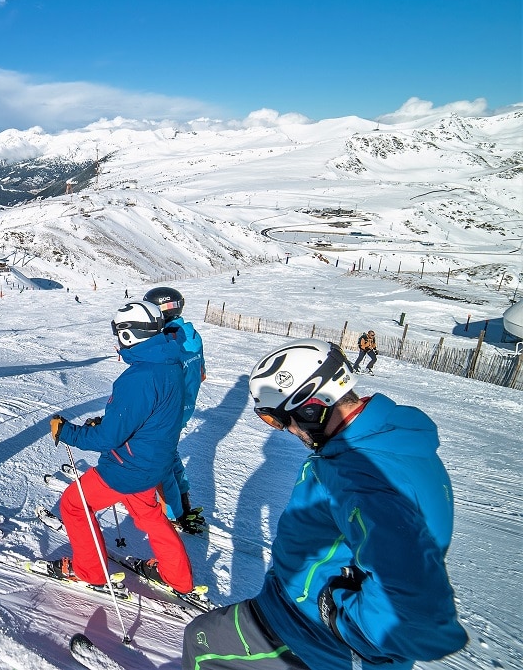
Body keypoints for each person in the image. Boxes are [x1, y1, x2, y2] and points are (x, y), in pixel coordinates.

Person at [182, 338, 467, 670]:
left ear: (310, 407)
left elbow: (419, 618)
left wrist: (335, 617)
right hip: (300, 617)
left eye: (278, 419)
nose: (286, 430)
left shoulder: (362, 480)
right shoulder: (383, 439)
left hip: (305, 635)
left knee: (201, 643)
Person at [47, 300, 195, 593]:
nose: (117, 342)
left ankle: (90, 571)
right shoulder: (169, 361)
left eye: (119, 334)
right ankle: (178, 578)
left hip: (127, 467)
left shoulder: (138, 377)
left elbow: (107, 439)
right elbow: (147, 415)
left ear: (129, 335)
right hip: (154, 461)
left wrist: (68, 433)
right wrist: (108, 422)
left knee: (74, 504)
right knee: (149, 515)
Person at [144, 286, 207, 531]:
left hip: (167, 409)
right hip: (185, 406)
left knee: (160, 457)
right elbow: (201, 374)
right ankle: (183, 502)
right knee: (170, 453)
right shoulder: (192, 335)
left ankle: (171, 510)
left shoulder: (165, 341)